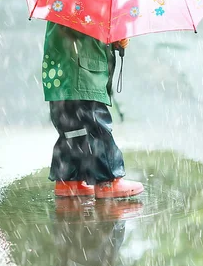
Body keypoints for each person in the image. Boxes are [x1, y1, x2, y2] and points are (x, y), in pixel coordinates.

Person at [42, 21, 144, 198]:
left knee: (72, 128)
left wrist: (114, 38)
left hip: (61, 71)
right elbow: (89, 21)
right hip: (83, 71)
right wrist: (113, 30)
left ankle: (68, 180)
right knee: (95, 124)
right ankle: (107, 181)